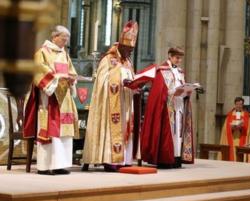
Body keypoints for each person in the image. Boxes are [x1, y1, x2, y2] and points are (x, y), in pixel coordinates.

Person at [82, 21, 139, 172]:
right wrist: (120, 82)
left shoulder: (127, 62)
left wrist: (136, 85)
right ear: (121, 46)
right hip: (111, 104)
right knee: (112, 129)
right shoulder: (108, 59)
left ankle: (124, 159)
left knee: (126, 127)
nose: (130, 53)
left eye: (132, 50)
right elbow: (101, 80)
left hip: (126, 102)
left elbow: (132, 78)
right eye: (128, 49)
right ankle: (110, 160)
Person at [24, 25, 79, 175]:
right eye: (63, 37)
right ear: (54, 37)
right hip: (49, 97)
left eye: (67, 38)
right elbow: (38, 70)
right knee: (50, 130)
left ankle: (60, 164)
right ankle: (45, 166)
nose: (66, 41)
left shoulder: (64, 54)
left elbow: (72, 71)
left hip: (64, 97)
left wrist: (72, 78)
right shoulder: (43, 52)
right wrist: (57, 78)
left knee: (64, 132)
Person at [140, 47, 194, 168]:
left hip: (179, 106)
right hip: (167, 108)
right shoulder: (161, 71)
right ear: (170, 56)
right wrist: (171, 93)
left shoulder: (180, 72)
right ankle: (165, 159)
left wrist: (187, 92)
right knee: (170, 133)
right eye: (176, 58)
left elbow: (181, 86)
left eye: (180, 58)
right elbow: (159, 93)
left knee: (178, 133)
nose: (179, 60)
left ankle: (176, 158)